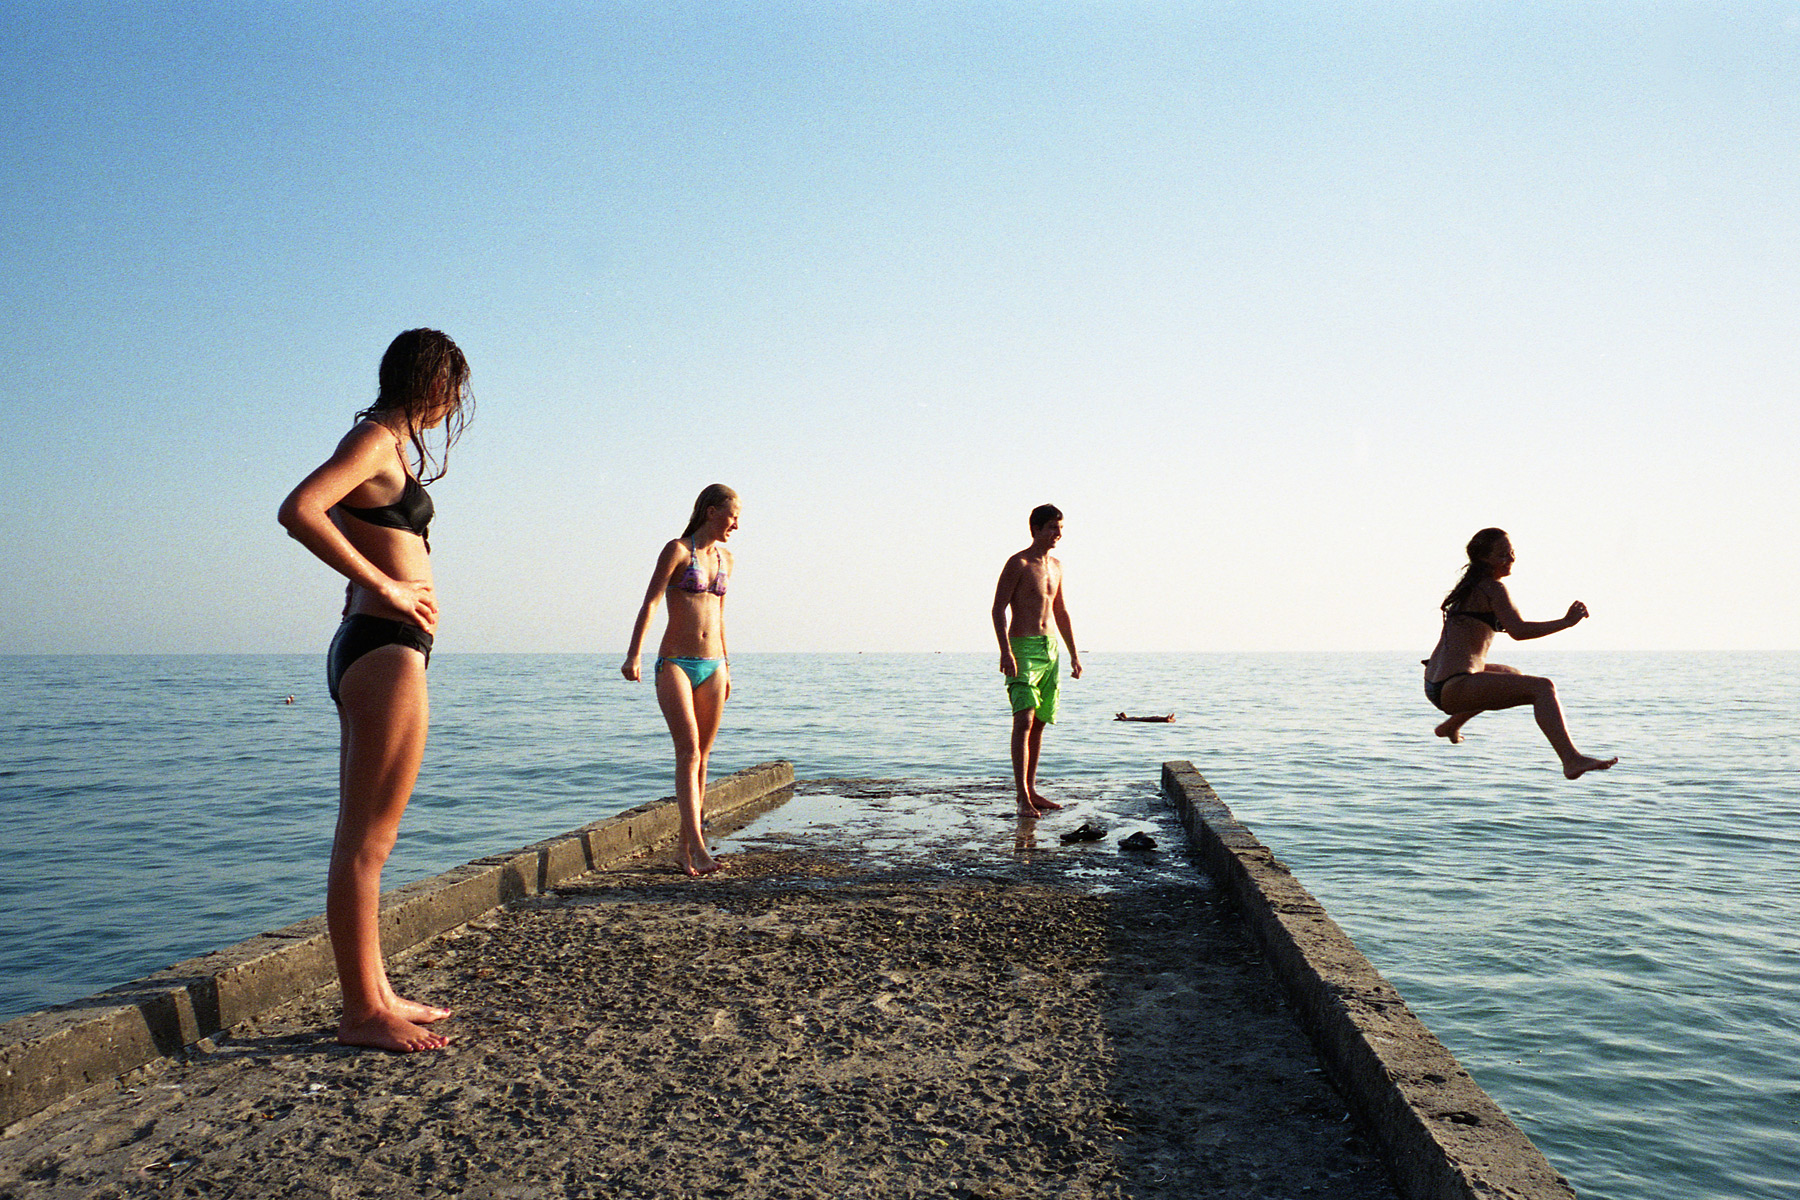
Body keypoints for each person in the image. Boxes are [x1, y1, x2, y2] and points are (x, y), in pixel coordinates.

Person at [277, 328, 471, 1052]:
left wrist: (374, 588)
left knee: (369, 842)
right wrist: (386, 585)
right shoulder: (372, 441)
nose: (451, 409)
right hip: (383, 649)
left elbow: (340, 521)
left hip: (381, 644)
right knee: (366, 842)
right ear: (432, 384)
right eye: (451, 392)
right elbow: (299, 509)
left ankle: (378, 991)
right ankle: (361, 1011)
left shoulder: (380, 445)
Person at [1422, 528, 1617, 780]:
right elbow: (1519, 631)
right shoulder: (1493, 588)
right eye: (1503, 554)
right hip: (1454, 686)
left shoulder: (1470, 588)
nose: (1511, 558)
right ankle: (1571, 759)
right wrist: (1566, 622)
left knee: (1512, 675)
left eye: (1512, 552)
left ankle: (1451, 725)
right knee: (1542, 688)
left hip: (1436, 682)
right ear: (1484, 559)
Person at [623, 484, 740, 876]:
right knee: (688, 751)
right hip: (674, 662)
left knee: (704, 758)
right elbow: (652, 602)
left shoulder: (727, 560)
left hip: (714, 665)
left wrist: (728, 665)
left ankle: (685, 849)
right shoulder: (677, 550)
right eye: (732, 515)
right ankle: (701, 850)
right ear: (711, 512)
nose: (736, 524)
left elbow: (720, 617)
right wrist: (634, 654)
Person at [993, 503, 1083, 817]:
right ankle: (1021, 799)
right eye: (1052, 528)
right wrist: (1005, 651)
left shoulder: (1056, 566)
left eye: (1060, 528)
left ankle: (1032, 790)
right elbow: (998, 609)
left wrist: (1074, 654)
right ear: (1036, 529)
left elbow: (1060, 612)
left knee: (1041, 722)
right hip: (1023, 647)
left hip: (1051, 649)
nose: (1058, 534)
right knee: (1024, 719)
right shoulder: (1018, 563)